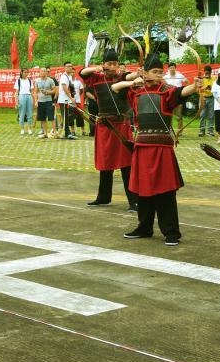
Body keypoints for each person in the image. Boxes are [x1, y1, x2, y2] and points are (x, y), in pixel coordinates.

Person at [112, 52, 199, 244]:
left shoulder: (166, 90)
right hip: (142, 146)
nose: (160, 75)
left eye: (161, 72)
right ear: (145, 72)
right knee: (143, 189)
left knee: (165, 190)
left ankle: (171, 232)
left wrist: (194, 86)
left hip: (161, 148)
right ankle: (144, 227)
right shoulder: (136, 91)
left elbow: (180, 93)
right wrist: (133, 80)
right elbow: (115, 87)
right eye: (155, 71)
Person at [79, 48, 136, 210]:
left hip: (121, 125)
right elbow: (82, 73)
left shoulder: (121, 77)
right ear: (104, 64)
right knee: (105, 163)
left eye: (115, 63)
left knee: (126, 164)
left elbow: (130, 76)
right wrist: (96, 68)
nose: (113, 66)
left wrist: (138, 74)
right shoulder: (95, 78)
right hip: (105, 126)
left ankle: (134, 200)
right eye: (109, 63)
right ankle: (103, 197)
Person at [163, 62, 189, 133]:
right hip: (169, 97)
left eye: (173, 68)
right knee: (169, 115)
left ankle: (179, 131)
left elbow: (187, 81)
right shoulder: (165, 77)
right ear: (168, 69)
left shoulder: (179, 75)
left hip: (178, 97)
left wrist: (184, 90)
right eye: (170, 68)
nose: (172, 69)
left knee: (179, 116)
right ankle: (169, 130)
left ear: (175, 68)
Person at [33, 67, 56, 138]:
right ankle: (45, 133)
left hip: (48, 101)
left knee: (51, 117)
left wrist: (48, 92)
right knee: (42, 118)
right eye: (41, 71)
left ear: (47, 72)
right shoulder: (37, 81)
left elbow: (54, 91)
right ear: (39, 73)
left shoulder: (50, 80)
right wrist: (36, 101)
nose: (43, 72)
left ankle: (55, 133)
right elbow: (35, 92)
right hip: (40, 102)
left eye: (44, 71)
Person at [57, 62, 77, 139]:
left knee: (68, 116)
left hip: (67, 100)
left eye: (71, 66)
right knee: (65, 116)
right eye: (68, 66)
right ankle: (65, 133)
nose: (70, 68)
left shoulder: (69, 76)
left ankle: (65, 132)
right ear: (64, 67)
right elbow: (65, 88)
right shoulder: (64, 76)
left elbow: (71, 88)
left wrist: (72, 97)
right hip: (63, 100)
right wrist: (71, 98)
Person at [14, 69, 34, 135]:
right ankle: (22, 128)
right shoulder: (18, 81)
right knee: (22, 113)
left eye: (27, 72)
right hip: (22, 96)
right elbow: (16, 92)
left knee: (30, 113)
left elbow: (32, 91)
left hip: (29, 96)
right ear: (21, 73)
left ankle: (29, 128)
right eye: (25, 72)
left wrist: (33, 100)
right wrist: (16, 102)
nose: (26, 73)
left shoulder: (30, 80)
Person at [198, 65, 215, 137]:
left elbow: (214, 88)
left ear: (211, 72)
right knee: (202, 115)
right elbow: (198, 89)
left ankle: (210, 131)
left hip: (211, 98)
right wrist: (205, 88)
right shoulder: (201, 79)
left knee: (211, 115)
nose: (207, 74)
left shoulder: (214, 79)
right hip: (203, 98)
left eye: (209, 72)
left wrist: (210, 88)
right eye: (206, 72)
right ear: (204, 72)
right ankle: (202, 131)